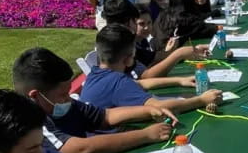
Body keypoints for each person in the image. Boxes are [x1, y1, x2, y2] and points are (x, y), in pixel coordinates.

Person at [12, 47, 177, 153]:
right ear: (35, 96)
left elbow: (104, 115)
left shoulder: (58, 104)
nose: (68, 99)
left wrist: (150, 110)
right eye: (62, 94)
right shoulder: (30, 122)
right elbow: (80, 148)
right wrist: (145, 135)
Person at [81, 25, 221, 115]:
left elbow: (140, 83)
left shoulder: (95, 74)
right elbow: (160, 108)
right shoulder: (119, 82)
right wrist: (201, 100)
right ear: (129, 58)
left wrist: (179, 80)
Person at [103, 0, 208, 80]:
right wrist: (178, 55)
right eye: (137, 22)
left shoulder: (118, 41)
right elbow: (145, 77)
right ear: (128, 23)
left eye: (149, 22)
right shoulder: (120, 46)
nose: (146, 27)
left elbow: (150, 63)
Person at [151, 0, 217, 53]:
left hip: (158, 55)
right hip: (178, 57)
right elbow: (210, 30)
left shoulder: (161, 16)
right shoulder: (189, 19)